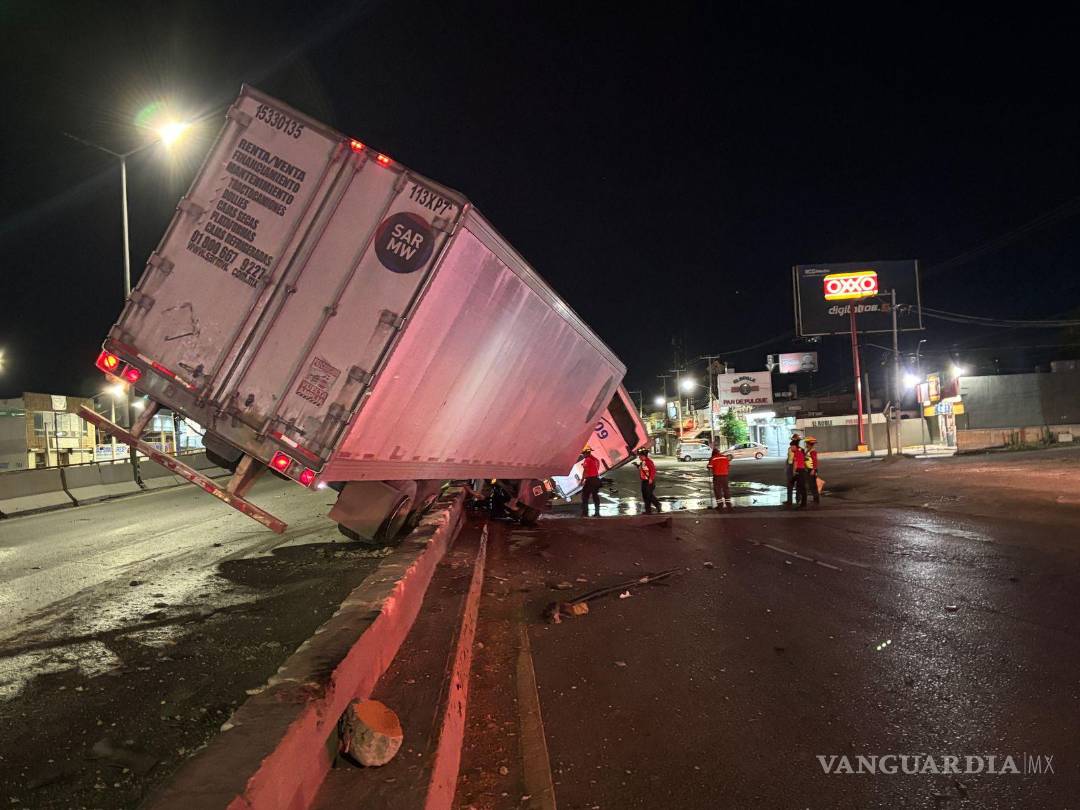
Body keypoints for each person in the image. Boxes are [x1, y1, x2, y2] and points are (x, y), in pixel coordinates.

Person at [637, 448, 662, 514]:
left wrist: (651, 478)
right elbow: (643, 469)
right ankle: (648, 511)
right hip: (644, 481)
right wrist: (637, 466)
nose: (639, 457)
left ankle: (658, 504)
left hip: (649, 481)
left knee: (649, 495)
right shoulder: (642, 462)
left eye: (640, 456)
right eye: (639, 456)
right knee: (645, 496)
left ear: (644, 456)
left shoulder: (648, 462)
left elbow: (653, 470)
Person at [580, 445, 603, 517]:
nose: (583, 455)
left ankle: (585, 513)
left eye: (583, 453)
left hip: (590, 481)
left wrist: (582, 480)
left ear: (586, 453)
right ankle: (597, 513)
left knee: (585, 496)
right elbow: (595, 467)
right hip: (596, 480)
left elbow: (585, 471)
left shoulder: (587, 460)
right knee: (595, 496)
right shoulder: (595, 459)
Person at [802, 436, 821, 506]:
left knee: (813, 485)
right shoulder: (808, 450)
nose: (806, 444)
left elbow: (815, 461)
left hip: (811, 469)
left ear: (809, 444)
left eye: (806, 443)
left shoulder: (813, 451)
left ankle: (816, 499)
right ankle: (815, 499)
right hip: (809, 469)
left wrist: (813, 470)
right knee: (811, 485)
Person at [785, 433, 802, 507]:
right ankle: (792, 500)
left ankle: (796, 499)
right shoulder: (791, 449)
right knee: (792, 484)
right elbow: (788, 458)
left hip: (795, 466)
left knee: (795, 484)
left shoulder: (799, 449)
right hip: (791, 466)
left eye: (795, 439)